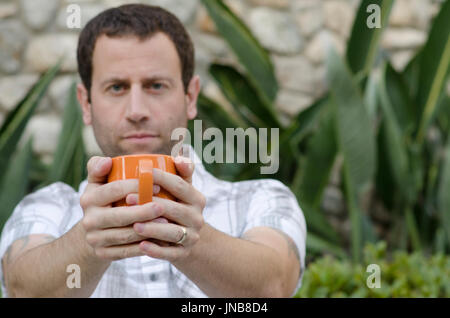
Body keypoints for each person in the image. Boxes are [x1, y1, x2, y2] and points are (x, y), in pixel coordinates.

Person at [0, 4, 306, 298]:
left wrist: (193, 241)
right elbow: (23, 290)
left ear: (190, 96)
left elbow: (273, 287)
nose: (136, 111)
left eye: (156, 86)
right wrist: (86, 243)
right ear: (85, 103)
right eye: (117, 87)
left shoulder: (261, 198)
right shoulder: (49, 207)